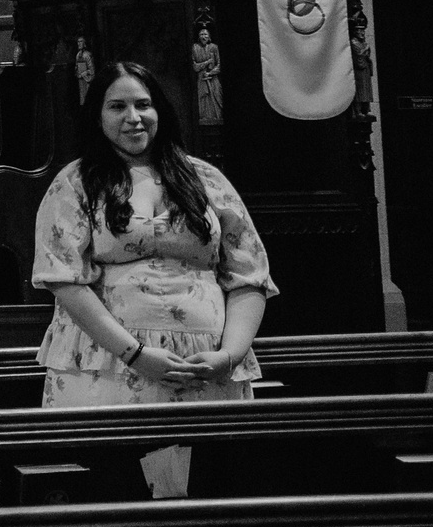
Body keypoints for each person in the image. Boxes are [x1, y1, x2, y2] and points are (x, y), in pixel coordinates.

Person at [32, 61, 275, 409]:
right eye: (117, 107)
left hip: (206, 365)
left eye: (143, 104)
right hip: (109, 363)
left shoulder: (206, 178)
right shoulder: (76, 183)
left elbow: (249, 276)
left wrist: (229, 356)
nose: (134, 117)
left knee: (209, 463)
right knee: (119, 461)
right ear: (97, 116)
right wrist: (136, 354)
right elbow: (64, 279)